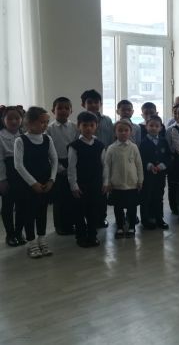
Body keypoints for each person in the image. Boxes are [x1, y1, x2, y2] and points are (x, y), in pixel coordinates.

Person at [14, 107, 58, 258]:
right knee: (29, 213)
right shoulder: (21, 140)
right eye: (42, 122)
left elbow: (54, 160)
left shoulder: (47, 139)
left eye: (47, 122)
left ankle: (42, 239)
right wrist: (33, 183)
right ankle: (31, 242)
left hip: (45, 182)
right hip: (28, 185)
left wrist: (52, 179)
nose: (45, 125)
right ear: (30, 123)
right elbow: (18, 165)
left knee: (41, 212)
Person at [67, 111, 106, 247]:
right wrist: (74, 185)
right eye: (85, 125)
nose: (88, 128)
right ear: (79, 126)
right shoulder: (74, 146)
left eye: (91, 125)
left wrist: (106, 182)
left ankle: (92, 235)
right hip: (81, 185)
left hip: (96, 184)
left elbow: (105, 165)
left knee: (93, 211)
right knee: (79, 211)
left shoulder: (100, 145)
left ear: (96, 126)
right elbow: (71, 167)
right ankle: (81, 236)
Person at [104, 120, 143, 238]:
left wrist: (140, 180)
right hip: (117, 185)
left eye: (126, 130)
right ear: (115, 132)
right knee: (118, 208)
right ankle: (120, 227)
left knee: (132, 208)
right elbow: (107, 166)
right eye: (120, 130)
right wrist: (107, 182)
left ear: (131, 132)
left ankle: (131, 227)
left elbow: (139, 165)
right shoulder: (111, 148)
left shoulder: (134, 147)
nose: (123, 133)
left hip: (131, 184)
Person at [80, 89, 112, 228]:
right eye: (89, 102)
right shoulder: (81, 120)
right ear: (83, 104)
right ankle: (88, 218)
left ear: (101, 103)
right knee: (88, 193)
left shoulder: (107, 120)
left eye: (96, 102)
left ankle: (101, 218)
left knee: (102, 191)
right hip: (88, 162)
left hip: (104, 160)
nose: (93, 105)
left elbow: (111, 139)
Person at [47, 97, 78, 235]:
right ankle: (60, 226)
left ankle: (72, 223)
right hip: (57, 165)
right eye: (59, 108)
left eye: (66, 108)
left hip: (73, 163)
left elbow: (77, 146)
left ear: (71, 110)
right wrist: (59, 168)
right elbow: (48, 152)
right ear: (53, 110)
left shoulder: (75, 127)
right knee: (59, 198)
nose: (63, 110)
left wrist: (72, 167)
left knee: (73, 196)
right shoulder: (49, 129)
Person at [139, 115, 170, 230]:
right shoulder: (143, 142)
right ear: (146, 127)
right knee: (146, 197)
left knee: (158, 197)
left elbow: (168, 156)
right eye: (151, 125)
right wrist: (149, 165)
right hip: (147, 175)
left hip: (160, 175)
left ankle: (159, 218)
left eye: (156, 126)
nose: (153, 128)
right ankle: (145, 219)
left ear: (161, 128)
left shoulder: (163, 141)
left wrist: (162, 165)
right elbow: (140, 158)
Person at [0, 107, 26, 247]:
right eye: (10, 118)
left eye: (17, 118)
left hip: (23, 173)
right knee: (8, 206)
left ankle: (19, 232)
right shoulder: (0, 136)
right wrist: (2, 179)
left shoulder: (24, 134)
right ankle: (10, 234)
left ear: (22, 119)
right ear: (3, 120)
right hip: (8, 172)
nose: (14, 121)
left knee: (22, 204)